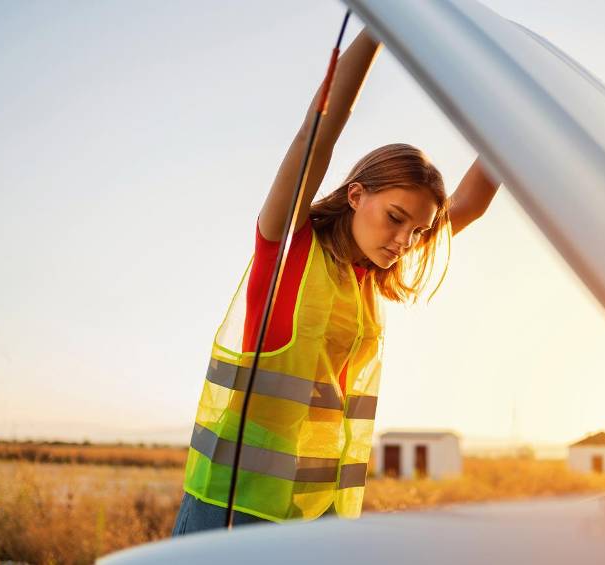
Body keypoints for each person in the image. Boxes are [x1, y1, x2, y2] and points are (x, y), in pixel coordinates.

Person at [172, 28, 498, 537]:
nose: (404, 242)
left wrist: (518, 123)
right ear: (354, 195)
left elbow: (471, 203)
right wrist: (379, 25)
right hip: (231, 509)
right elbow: (315, 135)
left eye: (418, 232)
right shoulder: (288, 247)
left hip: (315, 514)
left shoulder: (372, 275)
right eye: (394, 217)